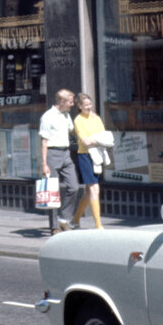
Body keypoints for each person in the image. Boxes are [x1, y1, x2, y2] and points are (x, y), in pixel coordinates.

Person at [39, 88, 80, 235]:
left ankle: (64, 219)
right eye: (70, 102)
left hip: (66, 153)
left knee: (74, 187)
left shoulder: (66, 115)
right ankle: (54, 226)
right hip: (52, 153)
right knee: (52, 191)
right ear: (62, 101)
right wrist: (44, 164)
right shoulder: (47, 117)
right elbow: (44, 141)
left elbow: (71, 131)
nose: (72, 104)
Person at [70, 94, 108, 229]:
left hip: (97, 155)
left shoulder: (96, 118)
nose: (89, 107)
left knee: (89, 192)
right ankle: (98, 224)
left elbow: (105, 137)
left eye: (90, 104)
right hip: (85, 156)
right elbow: (84, 141)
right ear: (79, 106)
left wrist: (94, 139)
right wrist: (96, 139)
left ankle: (75, 220)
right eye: (85, 105)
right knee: (94, 189)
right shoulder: (78, 120)